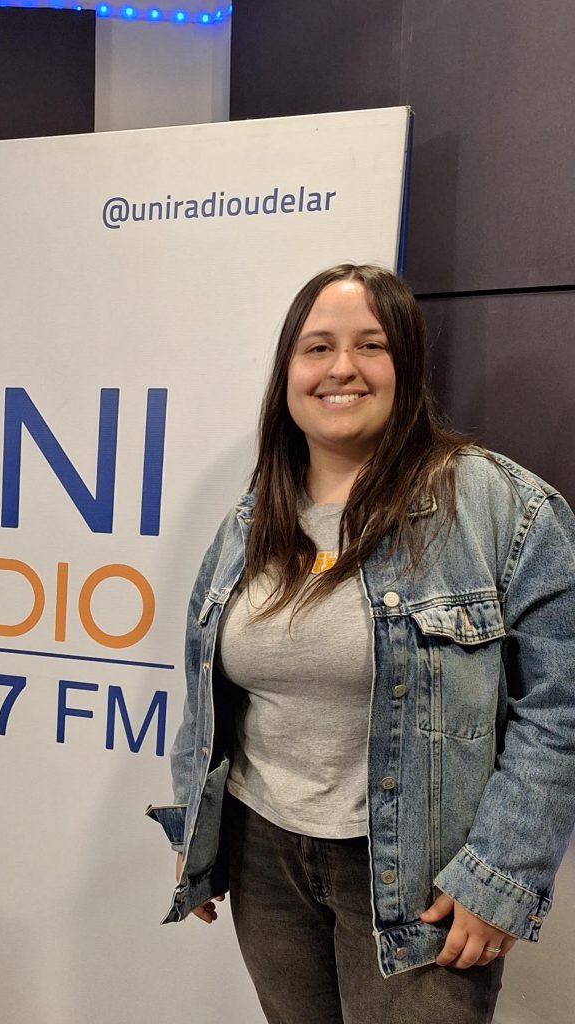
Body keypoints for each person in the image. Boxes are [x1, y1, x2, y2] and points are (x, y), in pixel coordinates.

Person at [148, 264, 575, 1023]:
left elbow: (560, 706)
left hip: (417, 883)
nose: (341, 367)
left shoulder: (501, 507)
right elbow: (204, 684)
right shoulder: (254, 516)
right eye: (317, 348)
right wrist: (196, 826)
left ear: (405, 366)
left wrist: (502, 873)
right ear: (287, 374)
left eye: (369, 345)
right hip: (264, 856)